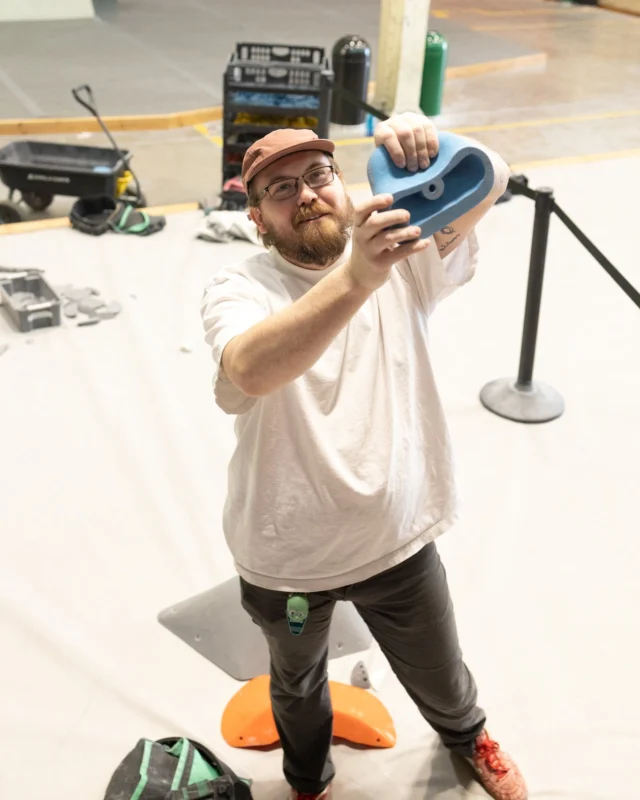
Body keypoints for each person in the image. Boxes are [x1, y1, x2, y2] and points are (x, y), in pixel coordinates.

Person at [201, 113, 526, 800]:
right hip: (286, 561)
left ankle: (470, 737)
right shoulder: (239, 287)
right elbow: (251, 370)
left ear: (345, 186)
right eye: (282, 190)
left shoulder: (402, 255)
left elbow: (491, 175)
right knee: (297, 680)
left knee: (442, 672)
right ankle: (306, 776)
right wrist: (356, 276)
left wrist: (424, 140)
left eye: (319, 176)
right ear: (258, 218)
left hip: (397, 540)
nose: (308, 194)